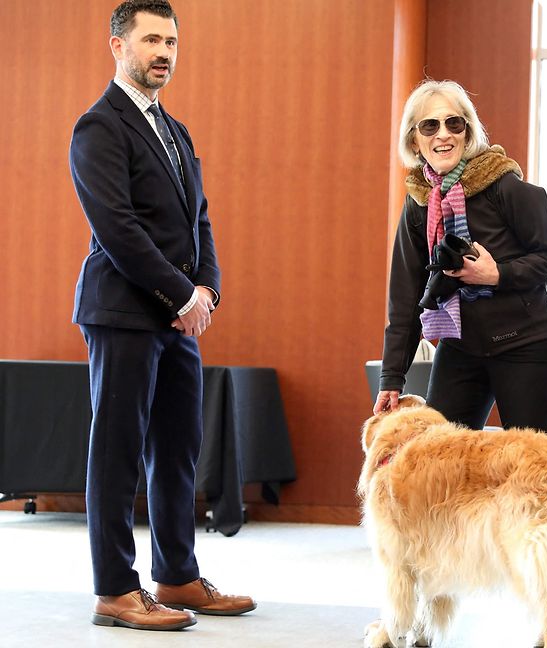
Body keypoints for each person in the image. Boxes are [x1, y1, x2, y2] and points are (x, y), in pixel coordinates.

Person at [69, 0, 253, 631]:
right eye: (152, 40)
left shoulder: (176, 131)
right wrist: (182, 295)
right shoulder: (98, 127)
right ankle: (115, 590)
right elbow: (116, 228)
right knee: (117, 450)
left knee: (177, 449)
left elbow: (199, 218)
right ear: (118, 46)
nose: (165, 53)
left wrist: (207, 291)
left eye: (172, 41)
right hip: (122, 311)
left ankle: (176, 576)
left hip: (178, 317)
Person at [372, 79, 547, 435]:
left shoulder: (505, 185)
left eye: (454, 123)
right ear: (414, 141)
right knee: (441, 465)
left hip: (527, 342)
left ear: (468, 132)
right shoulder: (418, 203)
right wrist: (392, 377)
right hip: (461, 345)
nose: (442, 135)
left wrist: (498, 274)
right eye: (429, 126)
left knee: (539, 474)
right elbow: (405, 297)